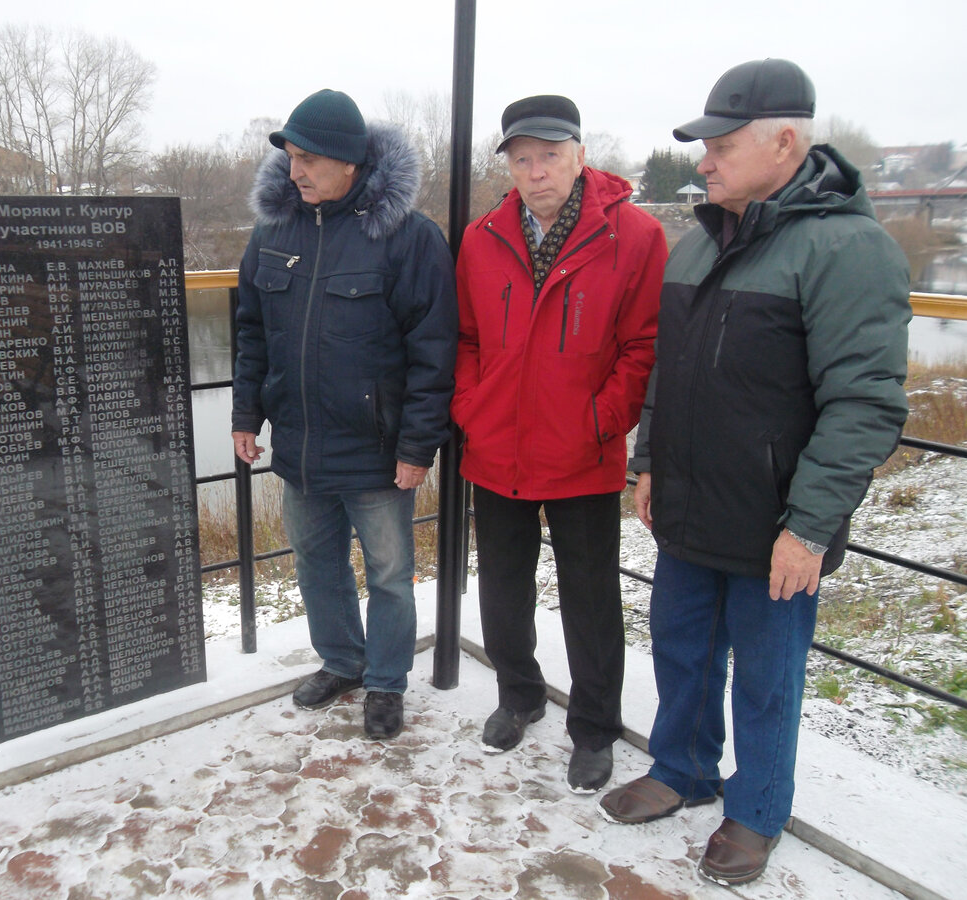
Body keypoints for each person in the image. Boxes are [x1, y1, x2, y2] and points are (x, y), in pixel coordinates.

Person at [599, 59, 911, 885]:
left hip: (778, 521)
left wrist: (808, 526)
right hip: (690, 505)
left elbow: (865, 405)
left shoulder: (849, 248)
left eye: (722, 145)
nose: (705, 161)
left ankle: (757, 810)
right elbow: (670, 370)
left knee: (768, 678)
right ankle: (682, 770)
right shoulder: (701, 241)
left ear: (784, 141)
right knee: (680, 650)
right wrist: (650, 464)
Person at [452, 95, 666, 792]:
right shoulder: (482, 238)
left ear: (579, 153)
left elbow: (645, 345)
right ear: (509, 164)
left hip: (583, 452)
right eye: (522, 158)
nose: (535, 170)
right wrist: (471, 408)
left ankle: (595, 728)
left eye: (549, 155)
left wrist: (602, 420)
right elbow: (466, 340)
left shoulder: (631, 236)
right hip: (498, 448)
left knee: (591, 599)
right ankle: (519, 696)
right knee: (502, 588)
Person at [231, 89, 457, 741]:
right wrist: (247, 414)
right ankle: (343, 662)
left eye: (309, 159)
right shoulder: (274, 233)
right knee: (315, 562)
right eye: (291, 157)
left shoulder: (408, 238)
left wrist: (418, 446)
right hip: (301, 447)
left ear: (351, 162)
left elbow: (433, 351)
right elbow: (251, 331)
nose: (294, 170)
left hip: (377, 451)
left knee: (389, 574)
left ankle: (385, 682)